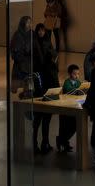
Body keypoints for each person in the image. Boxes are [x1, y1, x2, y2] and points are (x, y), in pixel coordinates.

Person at [34, 24, 59, 155]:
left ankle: (44, 142)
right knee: (41, 118)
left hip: (44, 89)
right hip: (44, 90)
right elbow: (54, 82)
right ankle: (41, 143)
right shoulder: (51, 68)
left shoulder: (47, 43)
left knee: (43, 119)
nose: (41, 32)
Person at [10, 16, 43, 94]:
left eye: (30, 22)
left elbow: (37, 47)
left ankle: (28, 94)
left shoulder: (32, 33)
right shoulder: (18, 34)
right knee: (21, 83)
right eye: (28, 22)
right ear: (23, 23)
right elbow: (14, 49)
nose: (30, 24)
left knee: (29, 85)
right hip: (21, 63)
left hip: (29, 63)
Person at [57, 64, 82, 153]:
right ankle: (63, 141)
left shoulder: (79, 82)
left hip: (75, 105)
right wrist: (77, 91)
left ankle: (63, 140)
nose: (77, 76)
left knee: (74, 125)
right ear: (70, 74)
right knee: (65, 126)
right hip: (66, 106)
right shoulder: (67, 82)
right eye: (75, 74)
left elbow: (80, 90)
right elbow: (68, 90)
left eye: (78, 74)